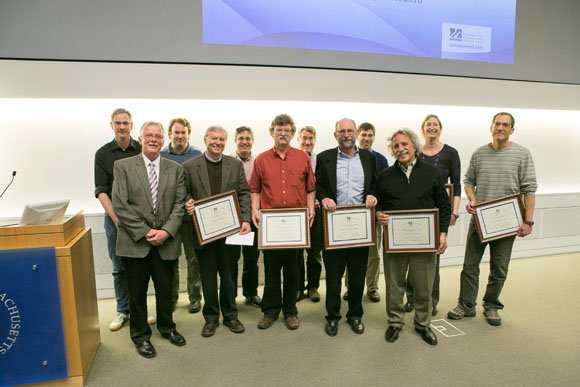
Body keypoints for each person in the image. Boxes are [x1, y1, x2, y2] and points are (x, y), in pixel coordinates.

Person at [448, 112, 537, 327]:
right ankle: (466, 305)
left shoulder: (522, 154)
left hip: (508, 222)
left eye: (505, 125)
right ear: (491, 127)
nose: (500, 128)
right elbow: (468, 180)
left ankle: (491, 306)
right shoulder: (479, 154)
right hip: (480, 221)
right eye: (497, 124)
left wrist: (528, 221)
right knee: (470, 266)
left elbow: (529, 189)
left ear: (512, 130)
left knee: (499, 269)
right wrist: (472, 199)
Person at [112, 121, 187, 358]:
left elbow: (179, 204)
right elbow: (119, 205)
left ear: (163, 140)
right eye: (149, 135)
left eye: (158, 136)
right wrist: (145, 231)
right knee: (137, 293)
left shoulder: (175, 169)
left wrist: (165, 231)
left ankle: (167, 328)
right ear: (140, 139)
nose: (153, 139)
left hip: (166, 242)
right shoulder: (122, 167)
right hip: (136, 243)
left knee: (166, 291)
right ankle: (141, 336)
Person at [376, 128, 450, 346]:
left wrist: (443, 234)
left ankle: (423, 324)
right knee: (394, 283)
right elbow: (377, 204)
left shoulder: (432, 173)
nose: (401, 149)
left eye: (404, 144)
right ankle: (395, 322)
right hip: (394, 241)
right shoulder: (385, 176)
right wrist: (378, 214)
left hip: (424, 241)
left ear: (414, 146)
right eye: (396, 146)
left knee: (424, 284)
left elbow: (444, 207)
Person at [249, 113, 316, 330]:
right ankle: (270, 311)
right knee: (271, 270)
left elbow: (310, 189)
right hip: (271, 226)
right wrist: (254, 210)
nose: (283, 133)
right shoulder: (261, 159)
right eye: (279, 130)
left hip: (295, 226)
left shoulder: (303, 158)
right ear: (272, 133)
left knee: (293, 271)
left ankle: (290, 311)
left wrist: (310, 211)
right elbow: (255, 189)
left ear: (292, 134)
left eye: (287, 130)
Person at [183, 125, 251, 337]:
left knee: (229, 275)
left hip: (230, 232)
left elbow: (244, 194)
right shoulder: (190, 166)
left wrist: (246, 219)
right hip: (204, 233)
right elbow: (184, 193)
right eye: (214, 139)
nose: (218, 143)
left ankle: (231, 315)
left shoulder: (235, 165)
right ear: (205, 140)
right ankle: (211, 318)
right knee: (208, 276)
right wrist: (188, 203)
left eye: (222, 139)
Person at [316, 118, 378, 337]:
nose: (346, 134)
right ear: (335, 135)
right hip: (334, 228)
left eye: (350, 130)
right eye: (341, 131)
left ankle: (355, 315)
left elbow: (375, 184)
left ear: (357, 133)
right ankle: (332, 317)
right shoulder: (324, 158)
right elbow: (319, 185)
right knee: (333, 276)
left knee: (358, 274)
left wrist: (373, 194)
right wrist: (323, 198)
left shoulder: (370, 158)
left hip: (360, 228)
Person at [94, 108, 155, 331]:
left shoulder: (142, 149)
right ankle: (123, 309)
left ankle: (141, 310)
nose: (122, 126)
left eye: (125, 123)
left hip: (141, 220)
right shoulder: (102, 154)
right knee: (119, 268)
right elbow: (101, 191)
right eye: (117, 123)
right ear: (112, 125)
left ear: (131, 125)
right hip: (115, 220)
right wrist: (118, 219)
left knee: (142, 266)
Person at [404, 114, 460, 316]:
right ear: (423, 129)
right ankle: (411, 298)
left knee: (432, 259)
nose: (432, 128)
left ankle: (431, 300)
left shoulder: (451, 153)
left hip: (437, 213)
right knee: (410, 254)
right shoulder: (416, 152)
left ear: (440, 128)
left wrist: (454, 211)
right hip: (415, 211)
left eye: (435, 124)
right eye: (428, 125)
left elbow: (456, 185)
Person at [160, 118, 203, 314]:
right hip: (168, 219)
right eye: (176, 133)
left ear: (188, 134)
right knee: (171, 259)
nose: (179, 136)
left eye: (183, 133)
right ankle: (171, 297)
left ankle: (195, 297)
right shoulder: (160, 155)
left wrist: (193, 200)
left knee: (194, 259)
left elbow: (201, 185)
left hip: (191, 218)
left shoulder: (197, 155)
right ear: (170, 134)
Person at [344, 122, 389, 303]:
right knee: (350, 252)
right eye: (363, 135)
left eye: (370, 135)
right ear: (356, 135)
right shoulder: (349, 157)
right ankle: (350, 287)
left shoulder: (381, 160)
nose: (367, 139)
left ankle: (372, 287)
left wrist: (379, 212)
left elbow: (385, 189)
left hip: (373, 215)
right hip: (353, 215)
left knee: (373, 254)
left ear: (373, 138)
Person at [230, 126, 262, 308]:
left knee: (252, 259)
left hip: (254, 218)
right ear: (235, 141)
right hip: (234, 219)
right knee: (232, 260)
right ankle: (231, 295)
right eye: (241, 138)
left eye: (248, 138)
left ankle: (251, 293)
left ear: (252, 141)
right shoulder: (227, 162)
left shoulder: (259, 161)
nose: (244, 141)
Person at [296, 125, 323, 303]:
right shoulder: (293, 158)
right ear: (298, 140)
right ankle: (298, 287)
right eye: (304, 138)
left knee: (314, 252)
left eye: (310, 139)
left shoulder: (321, 160)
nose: (307, 142)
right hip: (297, 213)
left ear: (314, 141)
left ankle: (313, 286)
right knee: (297, 253)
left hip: (317, 211)